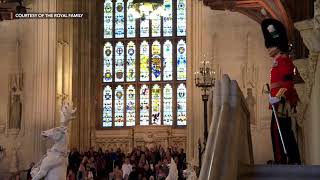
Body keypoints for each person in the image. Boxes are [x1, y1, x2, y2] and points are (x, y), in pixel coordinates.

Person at [261, 18, 301, 164]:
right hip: (277, 103)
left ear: (278, 46)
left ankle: (286, 159)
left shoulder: (284, 61)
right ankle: (284, 158)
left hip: (282, 103)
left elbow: (287, 83)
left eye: (271, 46)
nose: (268, 48)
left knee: (280, 133)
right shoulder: (278, 62)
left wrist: (277, 97)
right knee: (278, 132)